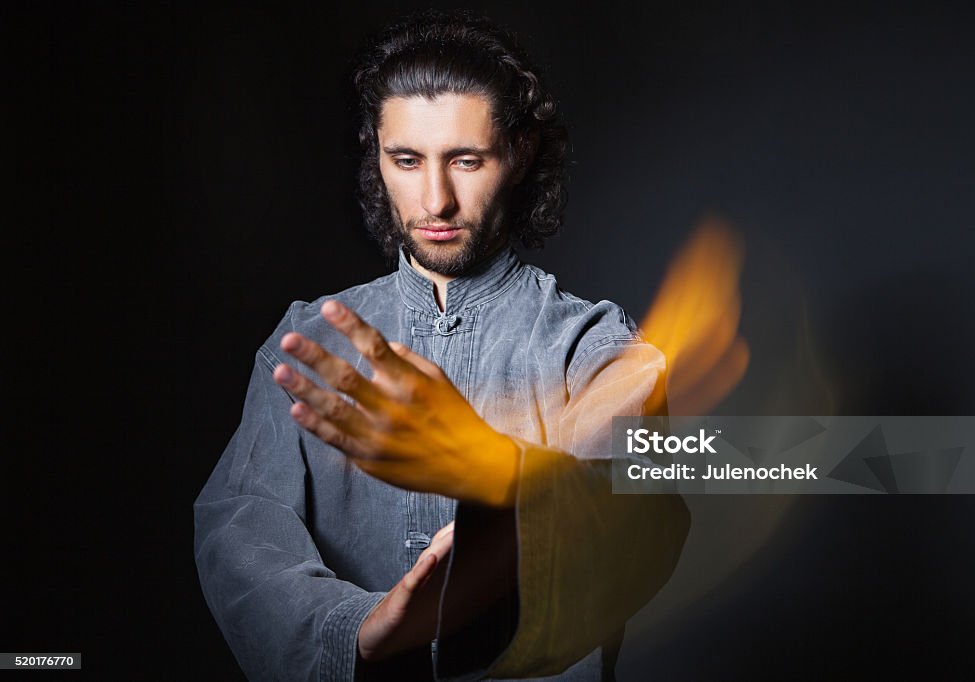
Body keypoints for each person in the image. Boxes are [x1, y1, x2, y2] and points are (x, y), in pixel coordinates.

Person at [194, 10, 689, 681]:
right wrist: (353, 630)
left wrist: (497, 469)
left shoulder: (598, 351)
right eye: (406, 160)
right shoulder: (306, 343)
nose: (436, 200)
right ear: (377, 157)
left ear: (519, 155)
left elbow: (644, 529)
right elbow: (239, 530)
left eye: (465, 160)